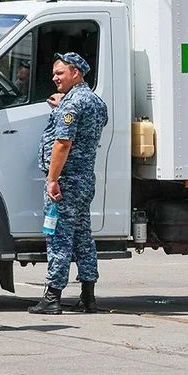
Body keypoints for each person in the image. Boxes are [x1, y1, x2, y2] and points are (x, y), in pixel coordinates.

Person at [29, 52, 108, 315]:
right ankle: (88, 295)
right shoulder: (95, 101)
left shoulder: (73, 104)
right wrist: (62, 107)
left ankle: (52, 297)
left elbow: (63, 143)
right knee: (83, 237)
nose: (54, 78)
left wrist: (52, 179)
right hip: (84, 180)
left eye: (60, 73)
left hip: (66, 182)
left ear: (75, 73)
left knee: (58, 238)